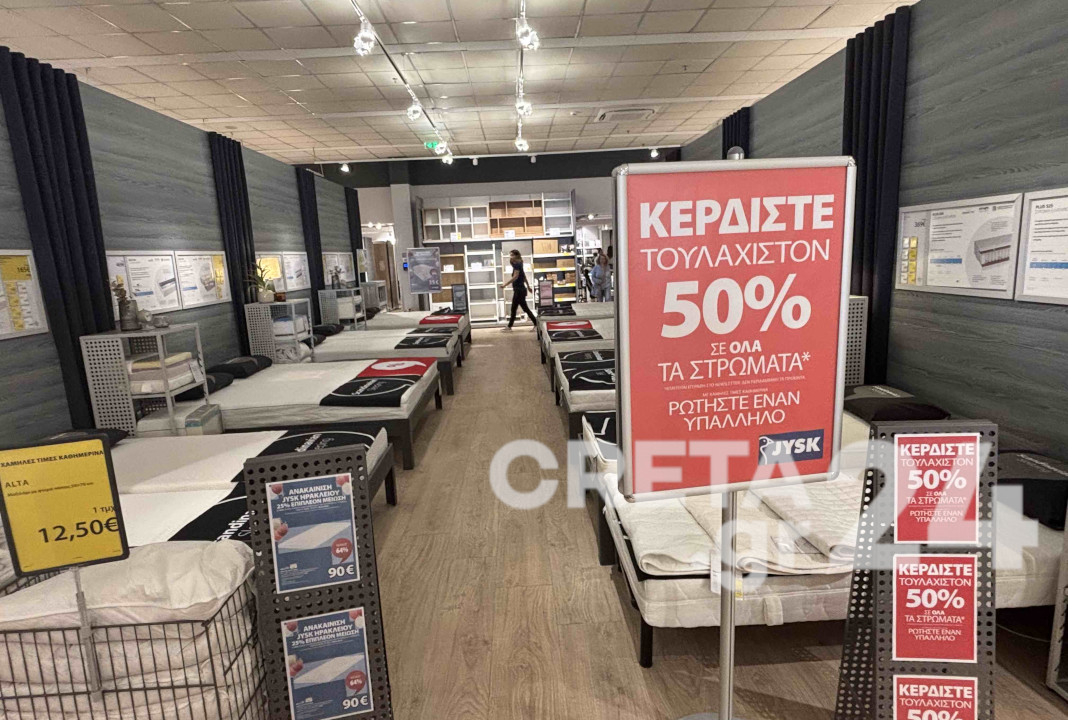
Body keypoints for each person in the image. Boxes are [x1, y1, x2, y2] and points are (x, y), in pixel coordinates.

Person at [501, 249, 537, 329]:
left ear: (516, 256)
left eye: (512, 255)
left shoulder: (517, 265)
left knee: (521, 308)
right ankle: (510, 326)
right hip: (520, 290)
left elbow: (515, 277)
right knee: (517, 308)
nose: (510, 257)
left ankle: (535, 323)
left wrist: (505, 285)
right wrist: (528, 286)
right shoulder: (519, 264)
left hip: (519, 290)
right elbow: (524, 276)